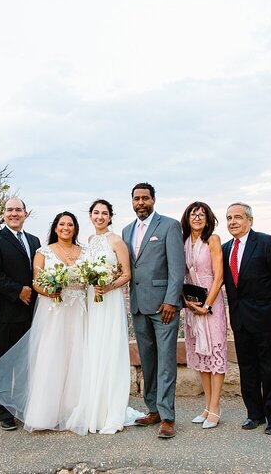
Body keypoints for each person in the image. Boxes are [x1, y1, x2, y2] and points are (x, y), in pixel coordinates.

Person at [0, 211, 87, 432]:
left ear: (75, 228)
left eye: (70, 224)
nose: (66, 228)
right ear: (55, 227)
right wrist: (50, 290)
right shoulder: (42, 251)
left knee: (76, 356)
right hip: (52, 309)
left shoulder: (84, 252)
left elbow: (87, 280)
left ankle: (73, 408)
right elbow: (36, 281)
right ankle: (45, 411)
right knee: (50, 356)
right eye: (61, 224)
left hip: (77, 310)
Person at [222, 202, 271, 435]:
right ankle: (254, 413)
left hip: (266, 319)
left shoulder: (266, 242)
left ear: (249, 221)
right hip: (240, 319)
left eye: (238, 217)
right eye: (229, 218)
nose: (233, 222)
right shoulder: (225, 249)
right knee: (247, 369)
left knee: (270, 369)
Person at [121, 183, 185, 439]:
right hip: (138, 306)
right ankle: (152, 410)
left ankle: (168, 416)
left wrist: (171, 301)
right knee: (147, 360)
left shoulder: (169, 226)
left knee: (166, 361)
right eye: (136, 199)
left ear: (154, 200)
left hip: (163, 307)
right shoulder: (127, 230)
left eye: (145, 198)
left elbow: (177, 268)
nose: (140, 203)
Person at [69, 199, 137, 435]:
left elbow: (126, 274)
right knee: (94, 348)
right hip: (92, 299)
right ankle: (93, 406)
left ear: (110, 217)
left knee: (109, 348)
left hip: (109, 300)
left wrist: (108, 287)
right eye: (96, 213)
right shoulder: (89, 241)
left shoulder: (116, 240)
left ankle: (111, 410)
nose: (99, 216)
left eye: (104, 213)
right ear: (90, 216)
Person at [0, 197, 41, 431]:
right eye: (9, 210)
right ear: (4, 214)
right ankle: (3, 412)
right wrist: (18, 291)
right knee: (3, 363)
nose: (14, 213)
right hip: (4, 312)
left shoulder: (34, 241)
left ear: (25, 214)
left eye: (18, 210)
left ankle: (21, 405)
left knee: (25, 364)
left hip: (30, 313)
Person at [179, 201, 226, 429]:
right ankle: (207, 406)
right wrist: (187, 302)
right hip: (193, 303)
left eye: (202, 214)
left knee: (215, 354)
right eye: (193, 214)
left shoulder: (213, 240)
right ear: (187, 218)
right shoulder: (186, 242)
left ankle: (216, 407)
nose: (197, 218)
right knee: (202, 356)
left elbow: (219, 277)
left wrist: (207, 306)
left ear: (208, 219)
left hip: (211, 303)